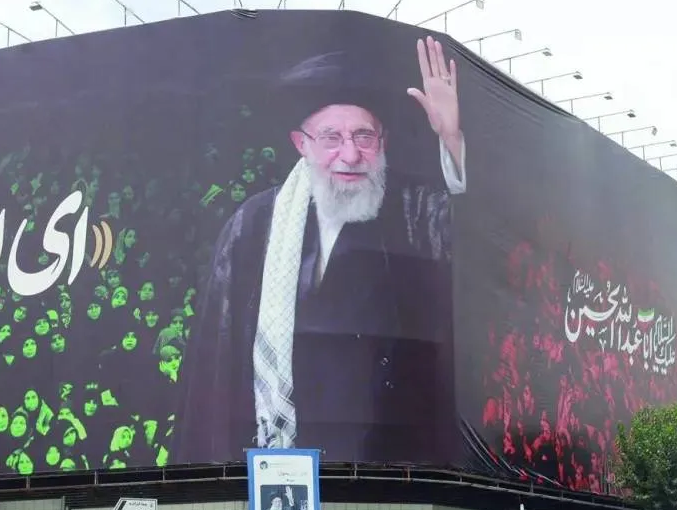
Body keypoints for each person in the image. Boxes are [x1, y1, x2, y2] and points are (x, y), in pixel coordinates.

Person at [176, 37, 466, 465]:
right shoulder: (255, 223)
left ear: (382, 141)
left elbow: (475, 240)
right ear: (302, 143)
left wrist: (452, 138)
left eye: (363, 136)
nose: (350, 155)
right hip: (279, 456)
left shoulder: (412, 211)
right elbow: (218, 359)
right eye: (331, 137)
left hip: (386, 458)